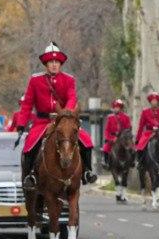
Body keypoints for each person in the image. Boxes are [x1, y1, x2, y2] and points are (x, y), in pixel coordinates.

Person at [17, 42, 98, 189]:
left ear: (60, 64)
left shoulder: (69, 79)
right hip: (43, 121)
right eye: (51, 62)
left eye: (57, 62)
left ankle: (87, 171)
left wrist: (65, 113)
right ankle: (30, 176)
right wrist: (21, 124)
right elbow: (27, 104)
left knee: (86, 141)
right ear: (46, 64)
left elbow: (72, 97)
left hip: (64, 119)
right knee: (30, 145)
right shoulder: (35, 80)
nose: (54, 64)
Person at [102, 99, 132, 167]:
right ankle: (105, 162)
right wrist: (110, 139)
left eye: (118, 107)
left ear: (121, 108)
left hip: (123, 137)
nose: (116, 109)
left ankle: (132, 162)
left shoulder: (126, 117)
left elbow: (128, 128)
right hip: (112, 138)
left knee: (131, 148)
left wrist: (123, 135)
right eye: (115, 107)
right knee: (105, 148)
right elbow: (107, 130)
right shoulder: (110, 117)